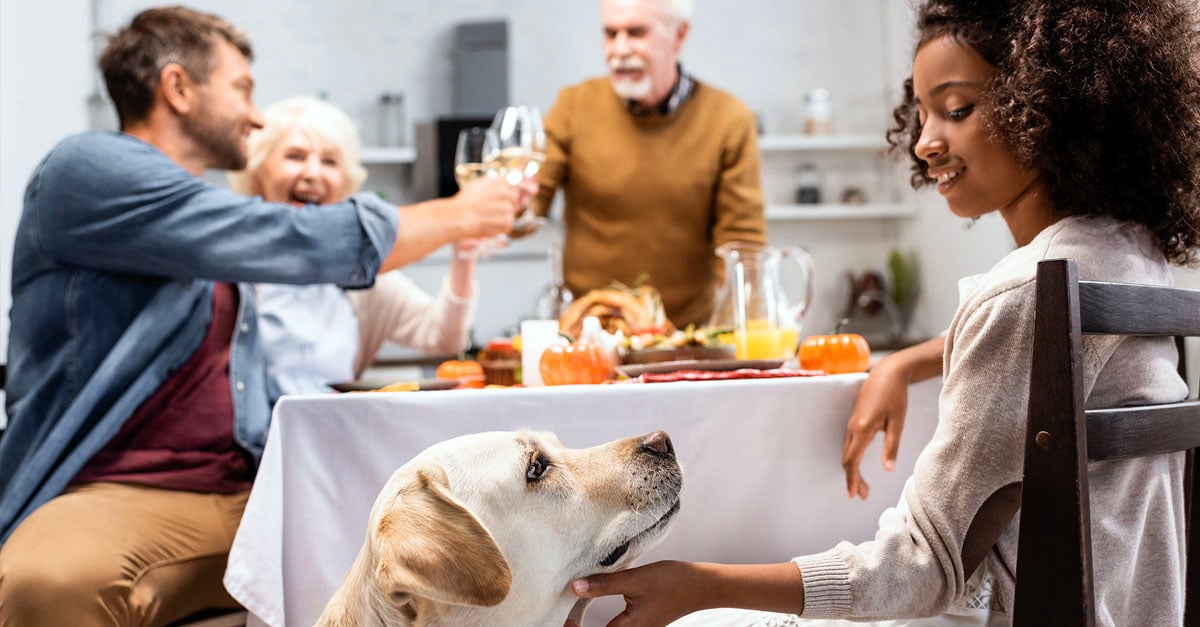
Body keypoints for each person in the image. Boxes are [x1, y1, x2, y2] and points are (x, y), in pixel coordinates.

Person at [566, 0, 1200, 625]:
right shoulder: (1128, 259)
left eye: (957, 110)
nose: (924, 143)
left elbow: (921, 567)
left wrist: (701, 585)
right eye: (920, 114)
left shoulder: (1022, 293)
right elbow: (1037, 338)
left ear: (1050, 107)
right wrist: (906, 361)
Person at [0, 7, 523, 625]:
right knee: (49, 582)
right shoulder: (86, 171)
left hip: (251, 481)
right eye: (243, 88)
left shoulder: (197, 222)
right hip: (117, 487)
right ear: (178, 88)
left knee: (470, 535)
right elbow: (303, 241)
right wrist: (460, 214)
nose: (255, 114)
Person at [532, 0, 766, 328]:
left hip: (683, 336)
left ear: (679, 35)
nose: (619, 49)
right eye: (610, 34)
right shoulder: (573, 107)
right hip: (589, 332)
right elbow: (527, 208)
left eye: (636, 33)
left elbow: (741, 247)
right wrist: (498, 201)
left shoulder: (729, 120)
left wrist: (738, 334)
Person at [228, 97, 478, 396]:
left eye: (329, 161)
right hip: (256, 441)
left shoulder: (360, 271)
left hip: (337, 435)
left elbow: (443, 337)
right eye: (295, 156)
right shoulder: (231, 262)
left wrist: (464, 255)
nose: (313, 173)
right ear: (257, 175)